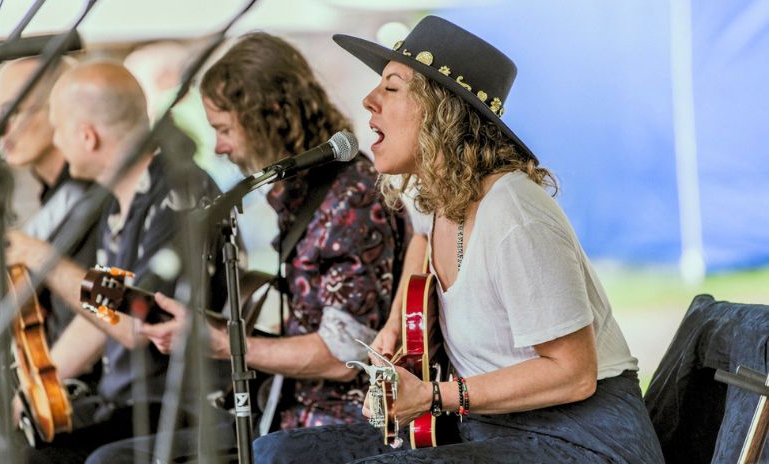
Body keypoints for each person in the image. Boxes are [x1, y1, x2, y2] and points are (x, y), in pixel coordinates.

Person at [252, 15, 665, 463]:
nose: (369, 100)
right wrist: (397, 324)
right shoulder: (443, 197)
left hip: (585, 442)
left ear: (440, 112)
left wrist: (433, 396)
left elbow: (574, 373)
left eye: (391, 88)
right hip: (488, 427)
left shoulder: (515, 215)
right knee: (277, 453)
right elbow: (421, 243)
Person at [85, 32, 409, 463]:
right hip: (282, 411)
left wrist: (222, 345)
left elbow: (344, 354)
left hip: (338, 421)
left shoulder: (352, 199)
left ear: (271, 114)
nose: (218, 148)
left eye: (224, 130)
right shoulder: (302, 195)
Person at [0, 60, 223, 464]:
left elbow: (137, 318)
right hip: (120, 405)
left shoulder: (178, 192)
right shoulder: (118, 202)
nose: (58, 143)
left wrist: (40, 256)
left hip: (174, 410)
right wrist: (17, 403)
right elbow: (100, 318)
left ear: (88, 137)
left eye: (59, 130)